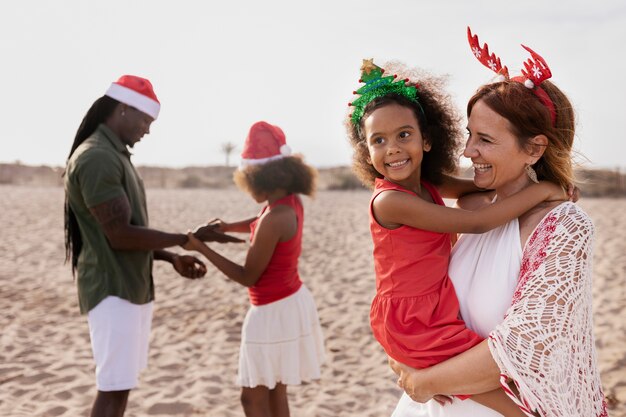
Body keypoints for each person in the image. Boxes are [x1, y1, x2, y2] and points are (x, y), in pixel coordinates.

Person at [388, 29, 607, 417]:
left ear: (534, 148)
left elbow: (520, 351)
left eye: (485, 140)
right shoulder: (468, 206)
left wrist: (424, 379)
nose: (468, 150)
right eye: (470, 134)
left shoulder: (562, 227)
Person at [346, 59, 567, 416]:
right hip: (412, 316)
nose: (393, 149)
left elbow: (482, 186)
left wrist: (518, 186)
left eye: (404, 134)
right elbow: (477, 222)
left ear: (428, 139)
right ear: (366, 152)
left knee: (481, 379)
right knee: (495, 386)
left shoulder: (427, 185)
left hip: (430, 307)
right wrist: (544, 190)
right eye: (378, 140)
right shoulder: (391, 201)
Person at [64, 75, 241, 417]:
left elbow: (121, 233)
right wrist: (188, 239)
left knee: (120, 388)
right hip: (112, 289)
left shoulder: (114, 154)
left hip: (129, 286)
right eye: (145, 119)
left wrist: (171, 255)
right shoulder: (97, 157)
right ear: (123, 109)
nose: (147, 129)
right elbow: (120, 235)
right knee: (112, 390)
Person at [183, 121, 325, 417]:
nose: (250, 189)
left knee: (253, 399)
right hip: (289, 302)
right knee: (275, 391)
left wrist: (202, 248)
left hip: (272, 311)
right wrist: (227, 227)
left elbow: (248, 276)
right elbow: (261, 220)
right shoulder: (288, 202)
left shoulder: (276, 216)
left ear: (266, 178)